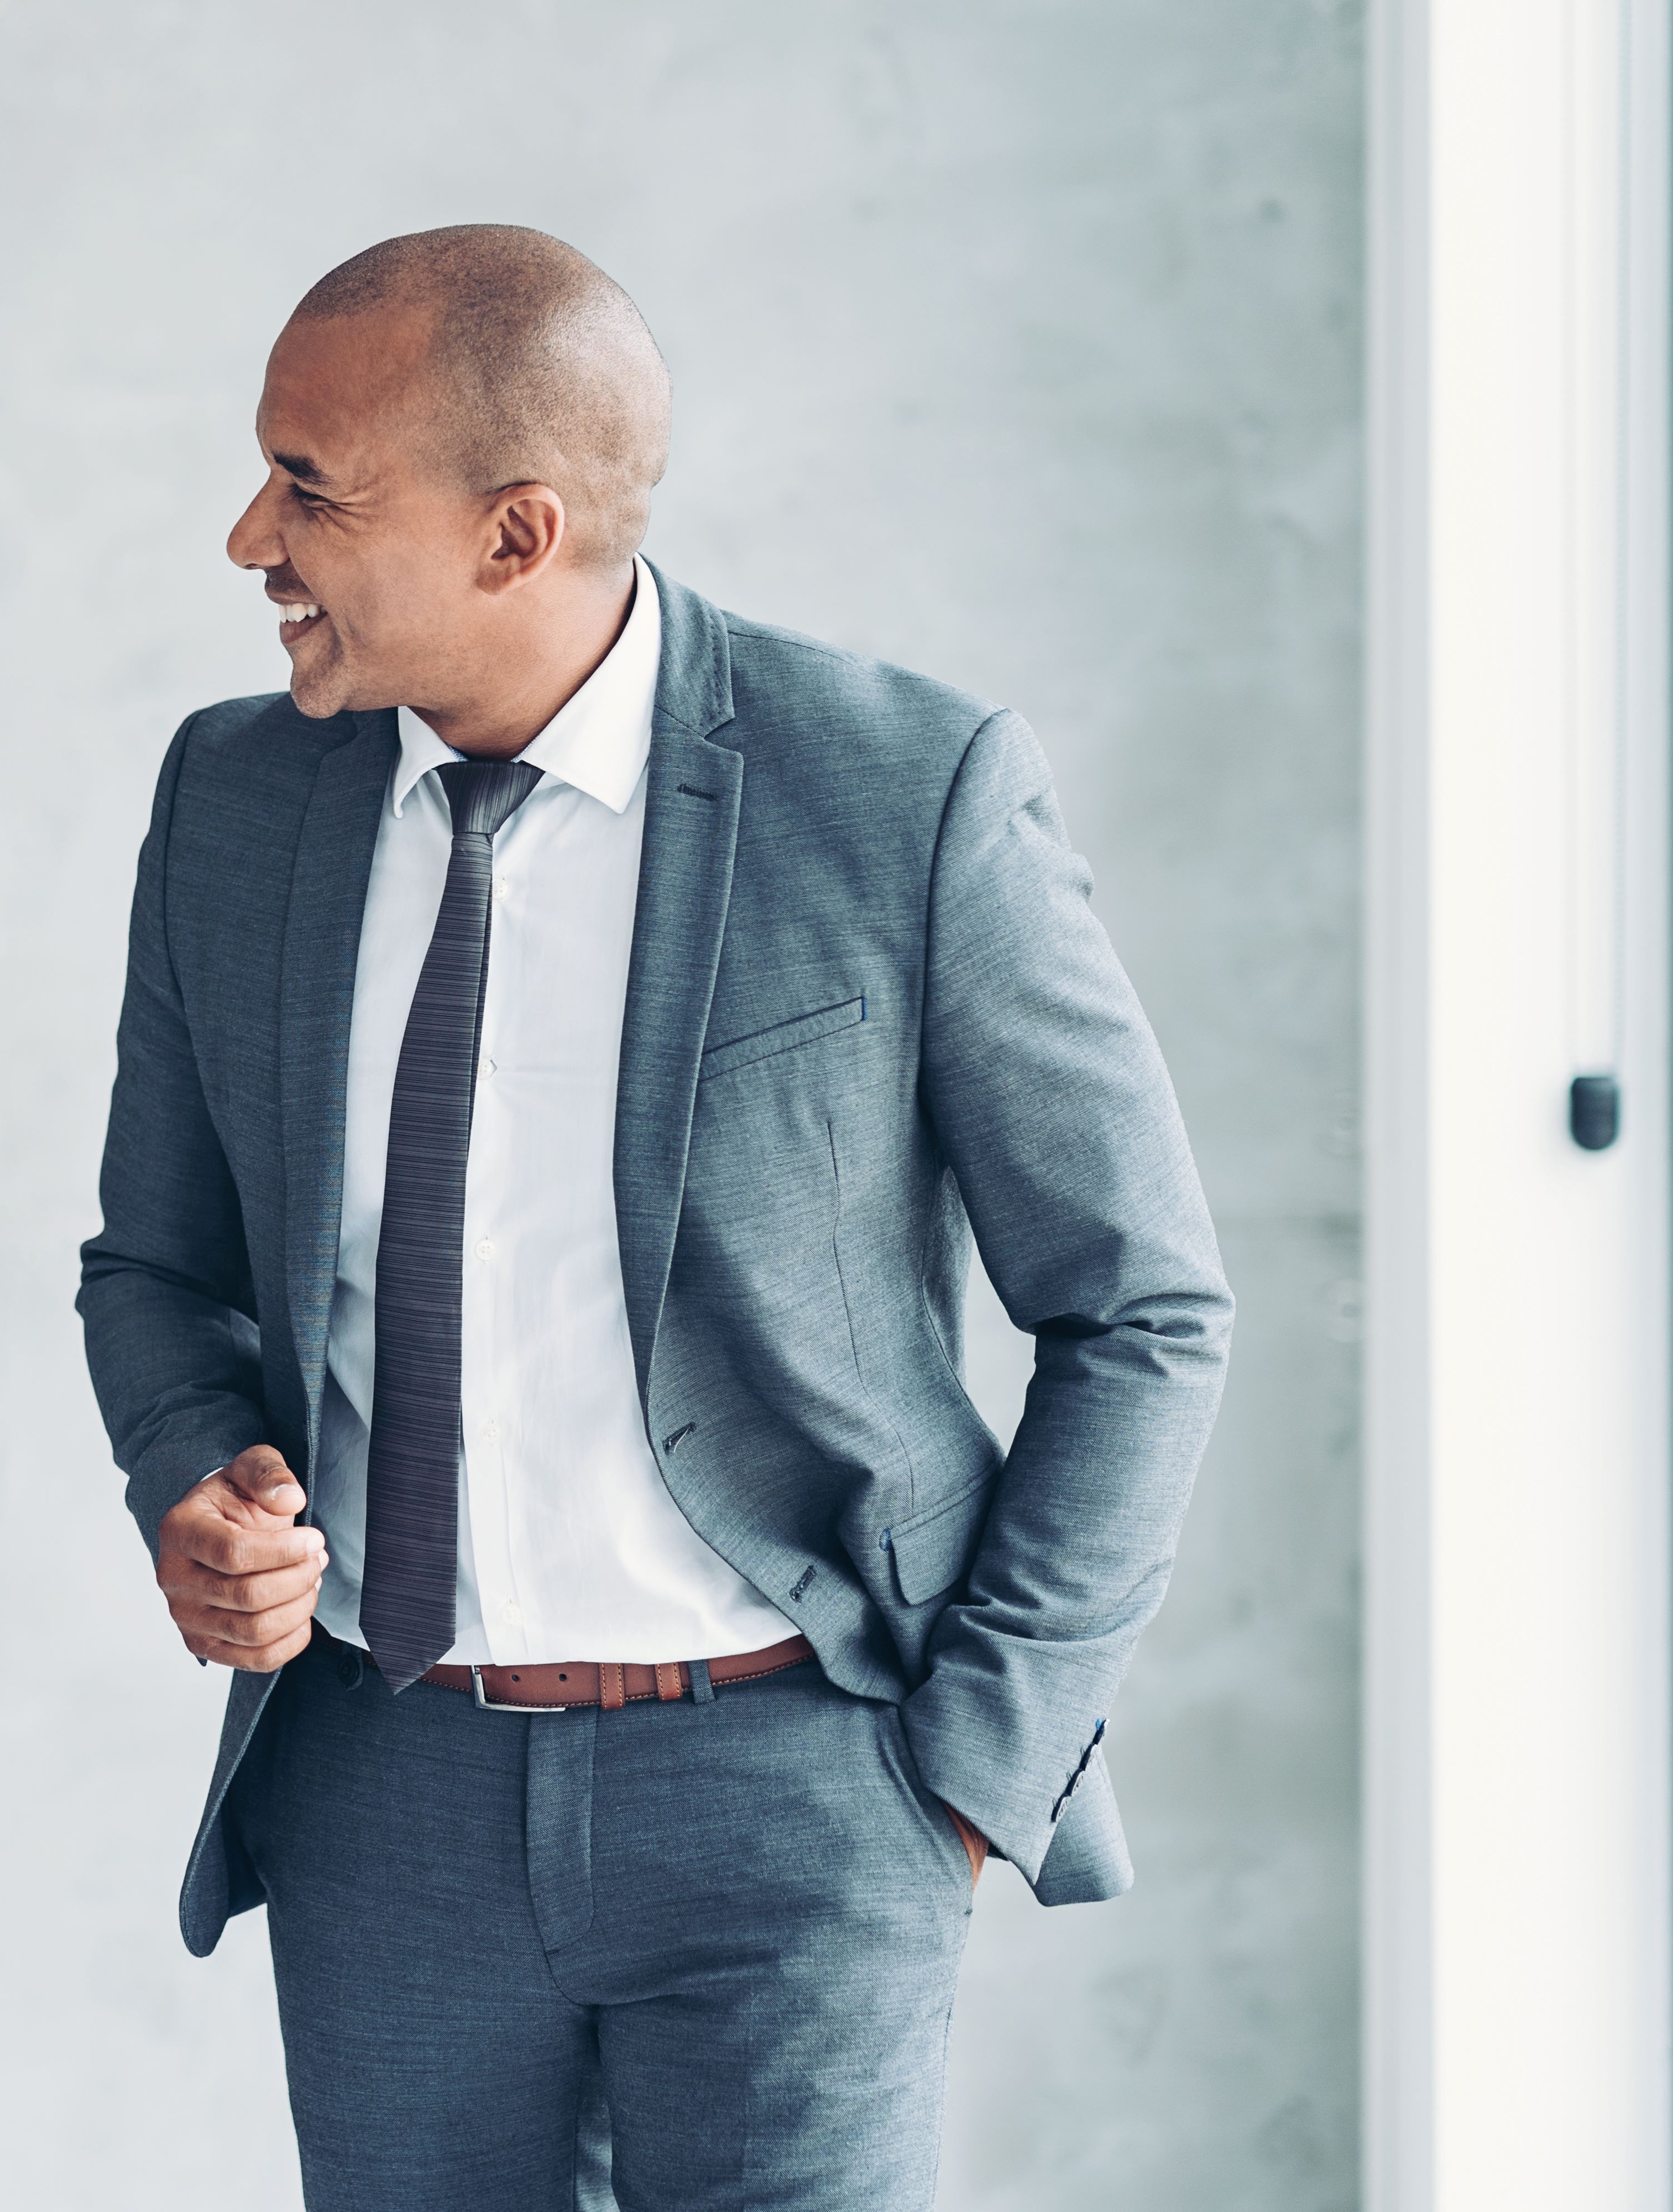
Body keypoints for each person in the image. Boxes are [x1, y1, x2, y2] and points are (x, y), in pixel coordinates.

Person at [77, 227, 1232, 2210]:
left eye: (315, 488)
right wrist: (201, 1479)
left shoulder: (902, 792)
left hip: (799, 1797)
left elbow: (1141, 1309)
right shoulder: (234, 798)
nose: (249, 533)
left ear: (517, 535)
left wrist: (969, 1767)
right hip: (386, 1795)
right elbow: (156, 1272)